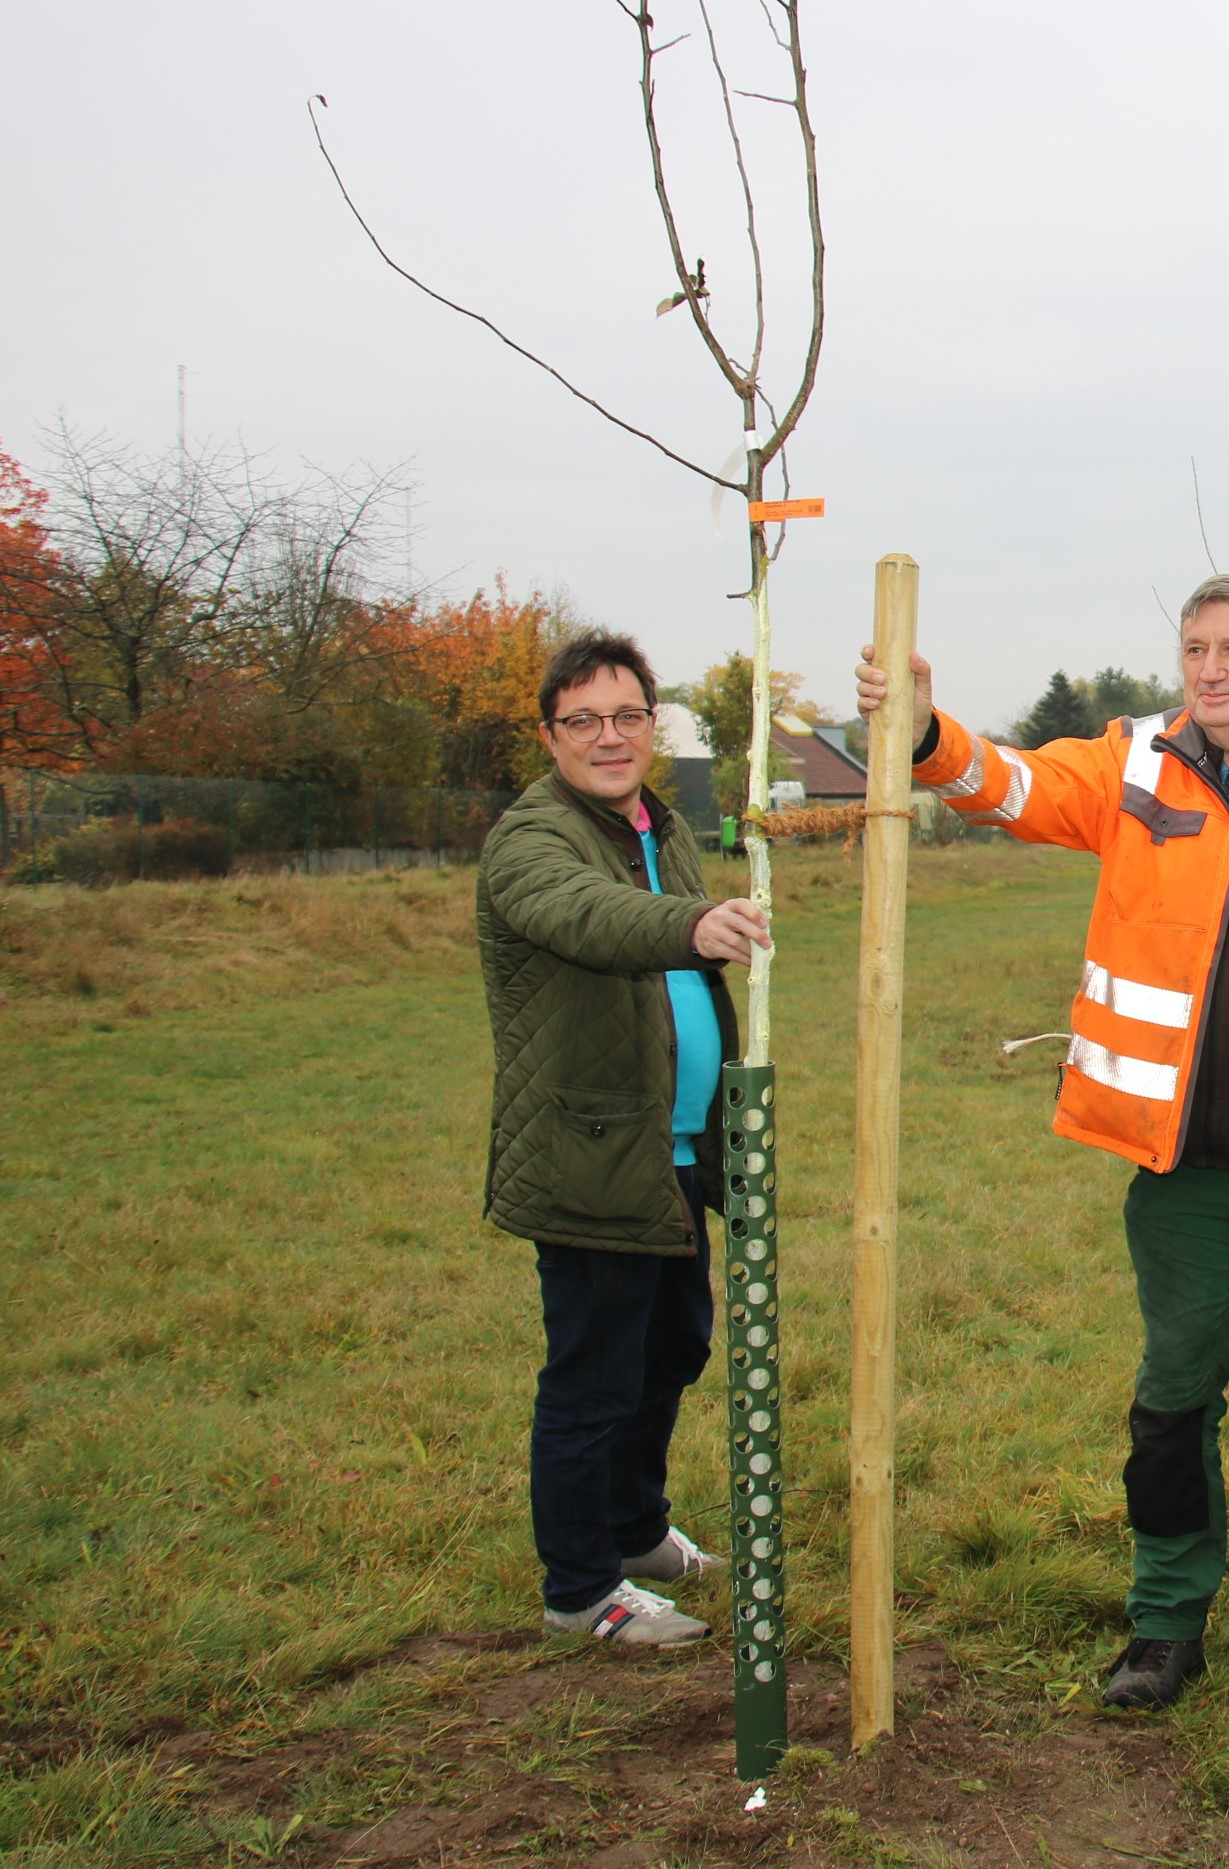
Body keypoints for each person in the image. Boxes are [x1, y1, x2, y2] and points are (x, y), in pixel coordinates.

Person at [855, 574, 1229, 1709]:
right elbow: (1015, 786)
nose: (1209, 670)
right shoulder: (1136, 764)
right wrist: (928, 731)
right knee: (1173, 1402)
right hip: (1180, 1175)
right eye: (1194, 649)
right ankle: (1165, 1616)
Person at [476, 630, 773, 1645]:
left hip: (676, 1151)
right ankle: (581, 1589)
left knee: (672, 1347)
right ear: (552, 734)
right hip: (590, 1149)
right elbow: (588, 918)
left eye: (629, 716)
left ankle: (636, 1530)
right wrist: (687, 926)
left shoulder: (659, 823)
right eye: (584, 721)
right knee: (594, 1374)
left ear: (653, 724)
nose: (610, 737)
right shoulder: (533, 839)